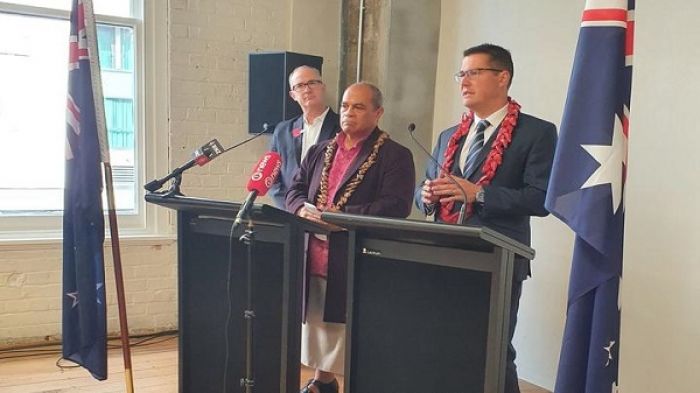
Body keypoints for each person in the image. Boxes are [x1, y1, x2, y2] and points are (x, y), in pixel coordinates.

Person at [414, 43, 557, 393]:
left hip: (499, 257)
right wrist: (427, 196)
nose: (464, 81)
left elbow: (541, 199)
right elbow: (423, 193)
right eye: (461, 74)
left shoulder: (536, 133)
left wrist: (478, 193)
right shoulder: (450, 136)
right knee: (445, 346)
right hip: (446, 256)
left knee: (492, 349)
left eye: (473, 73)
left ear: (502, 77)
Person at [287, 82, 415, 393]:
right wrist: (301, 211)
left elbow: (396, 205)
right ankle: (323, 382)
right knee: (317, 323)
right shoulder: (319, 150)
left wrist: (340, 219)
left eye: (358, 107)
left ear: (378, 112)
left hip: (357, 255)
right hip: (314, 251)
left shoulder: (395, 155)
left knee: (350, 333)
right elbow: (294, 190)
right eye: (345, 106)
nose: (348, 112)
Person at [268, 65, 340, 208]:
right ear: (293, 95)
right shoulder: (282, 131)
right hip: (290, 215)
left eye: (312, 83)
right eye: (300, 85)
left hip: (327, 215)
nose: (307, 89)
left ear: (323, 87)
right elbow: (272, 177)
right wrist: (293, 208)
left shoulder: (343, 128)